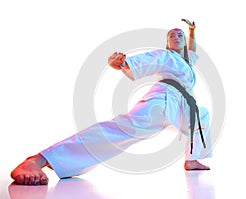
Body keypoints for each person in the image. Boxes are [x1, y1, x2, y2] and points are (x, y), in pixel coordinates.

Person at [10, 19, 212, 185]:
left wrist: (192, 30)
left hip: (182, 104)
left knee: (201, 115)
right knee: (121, 130)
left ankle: (192, 159)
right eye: (172, 36)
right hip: (162, 100)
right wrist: (122, 63)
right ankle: (40, 159)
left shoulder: (188, 61)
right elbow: (144, 60)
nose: (176, 37)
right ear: (167, 43)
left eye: (180, 36)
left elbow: (192, 49)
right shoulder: (164, 55)